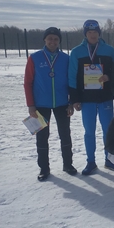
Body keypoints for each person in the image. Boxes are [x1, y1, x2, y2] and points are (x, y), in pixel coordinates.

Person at [24, 27, 77, 181]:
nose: (53, 41)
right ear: (45, 40)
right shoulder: (34, 58)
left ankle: (68, 164)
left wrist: (70, 102)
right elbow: (27, 83)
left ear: (59, 41)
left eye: (56, 39)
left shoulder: (66, 58)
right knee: (42, 137)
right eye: (50, 39)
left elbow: (71, 81)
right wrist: (31, 105)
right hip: (40, 105)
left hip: (62, 103)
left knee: (65, 134)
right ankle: (44, 168)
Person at [68, 20, 114, 175]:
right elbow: (72, 76)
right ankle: (91, 161)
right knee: (89, 131)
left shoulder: (109, 50)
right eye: (89, 32)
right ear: (85, 34)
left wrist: (108, 77)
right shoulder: (76, 52)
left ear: (99, 33)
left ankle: (109, 159)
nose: (92, 35)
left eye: (95, 32)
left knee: (107, 130)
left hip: (105, 98)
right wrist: (75, 99)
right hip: (86, 99)